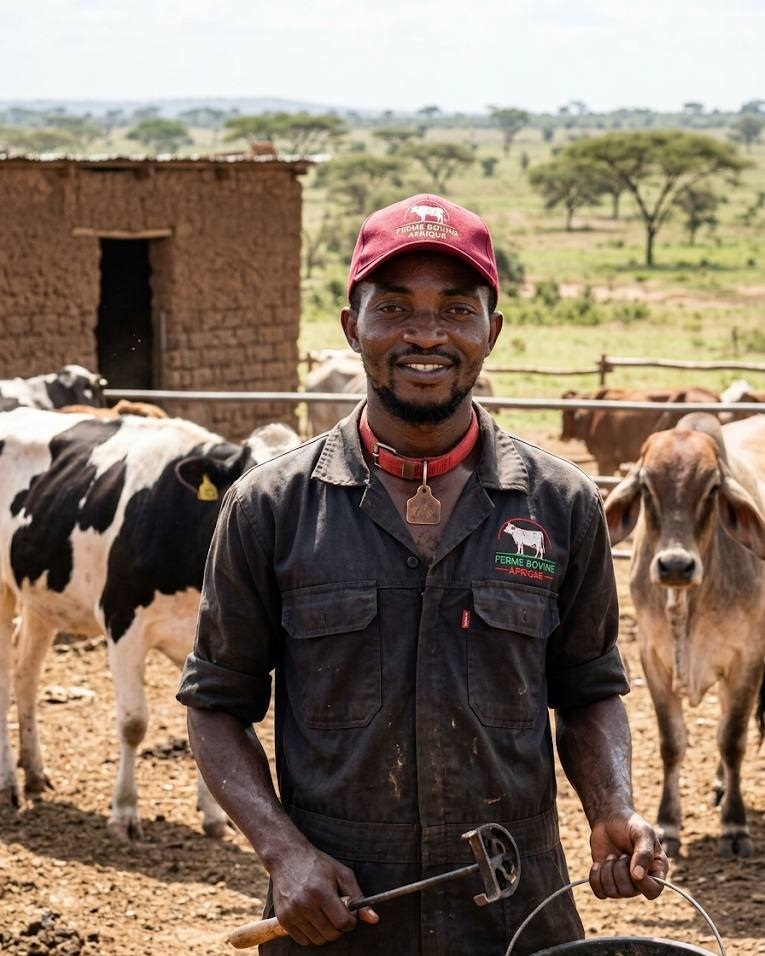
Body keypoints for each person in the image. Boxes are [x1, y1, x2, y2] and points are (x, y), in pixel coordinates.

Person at [177, 193, 668, 955]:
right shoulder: (267, 507)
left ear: (490, 332)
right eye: (396, 307)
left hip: (517, 909)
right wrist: (284, 853)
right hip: (336, 911)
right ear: (352, 327)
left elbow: (589, 686)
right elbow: (215, 704)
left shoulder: (561, 503)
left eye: (457, 309)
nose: (427, 334)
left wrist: (612, 803)